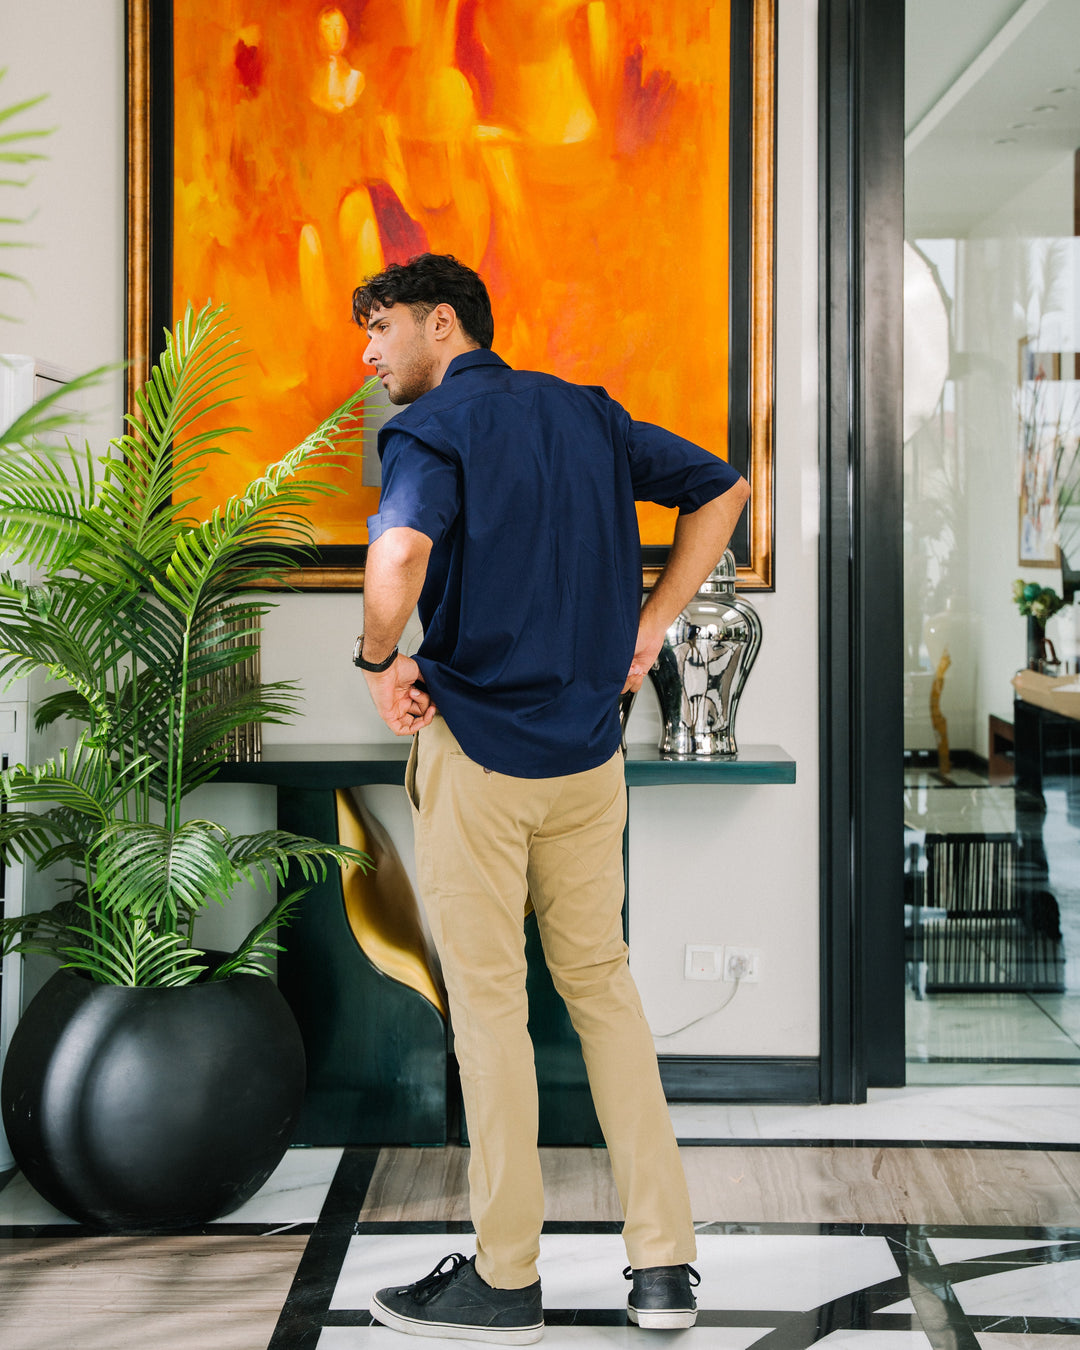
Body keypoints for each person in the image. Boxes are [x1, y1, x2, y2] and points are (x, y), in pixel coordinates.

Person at [352, 253, 750, 1344]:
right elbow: (724, 487)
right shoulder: (587, 413)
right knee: (606, 997)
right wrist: (654, 618)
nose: (371, 354)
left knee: (492, 1016)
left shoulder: (430, 431)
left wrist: (378, 659)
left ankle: (506, 1279)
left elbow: (397, 558)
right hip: (590, 759)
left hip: (479, 758)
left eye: (381, 328)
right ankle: (664, 1268)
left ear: (446, 322)